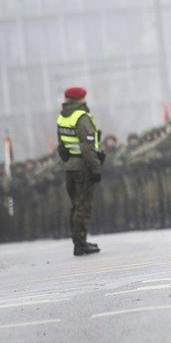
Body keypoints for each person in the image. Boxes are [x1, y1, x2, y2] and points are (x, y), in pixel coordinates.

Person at [55, 85, 102, 256]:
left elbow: (61, 147)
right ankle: (80, 243)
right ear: (80, 99)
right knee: (83, 205)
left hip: (71, 165)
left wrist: (70, 161)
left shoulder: (62, 118)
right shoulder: (81, 117)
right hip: (83, 165)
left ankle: (78, 240)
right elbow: (87, 146)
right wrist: (96, 168)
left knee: (76, 205)